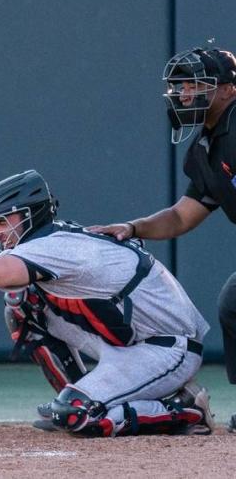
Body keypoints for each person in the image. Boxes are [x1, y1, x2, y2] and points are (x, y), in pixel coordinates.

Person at [0, 170, 213, 437]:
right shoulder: (52, 238)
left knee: (77, 416)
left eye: (1, 221)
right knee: (22, 303)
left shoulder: (56, 246)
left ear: (29, 215)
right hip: (131, 339)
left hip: (168, 349)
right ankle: (78, 391)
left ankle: (183, 408)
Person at [89, 47, 236, 432]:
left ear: (228, 90)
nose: (186, 94)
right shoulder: (207, 146)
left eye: (196, 84)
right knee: (233, 304)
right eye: (181, 86)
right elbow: (181, 215)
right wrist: (133, 227)